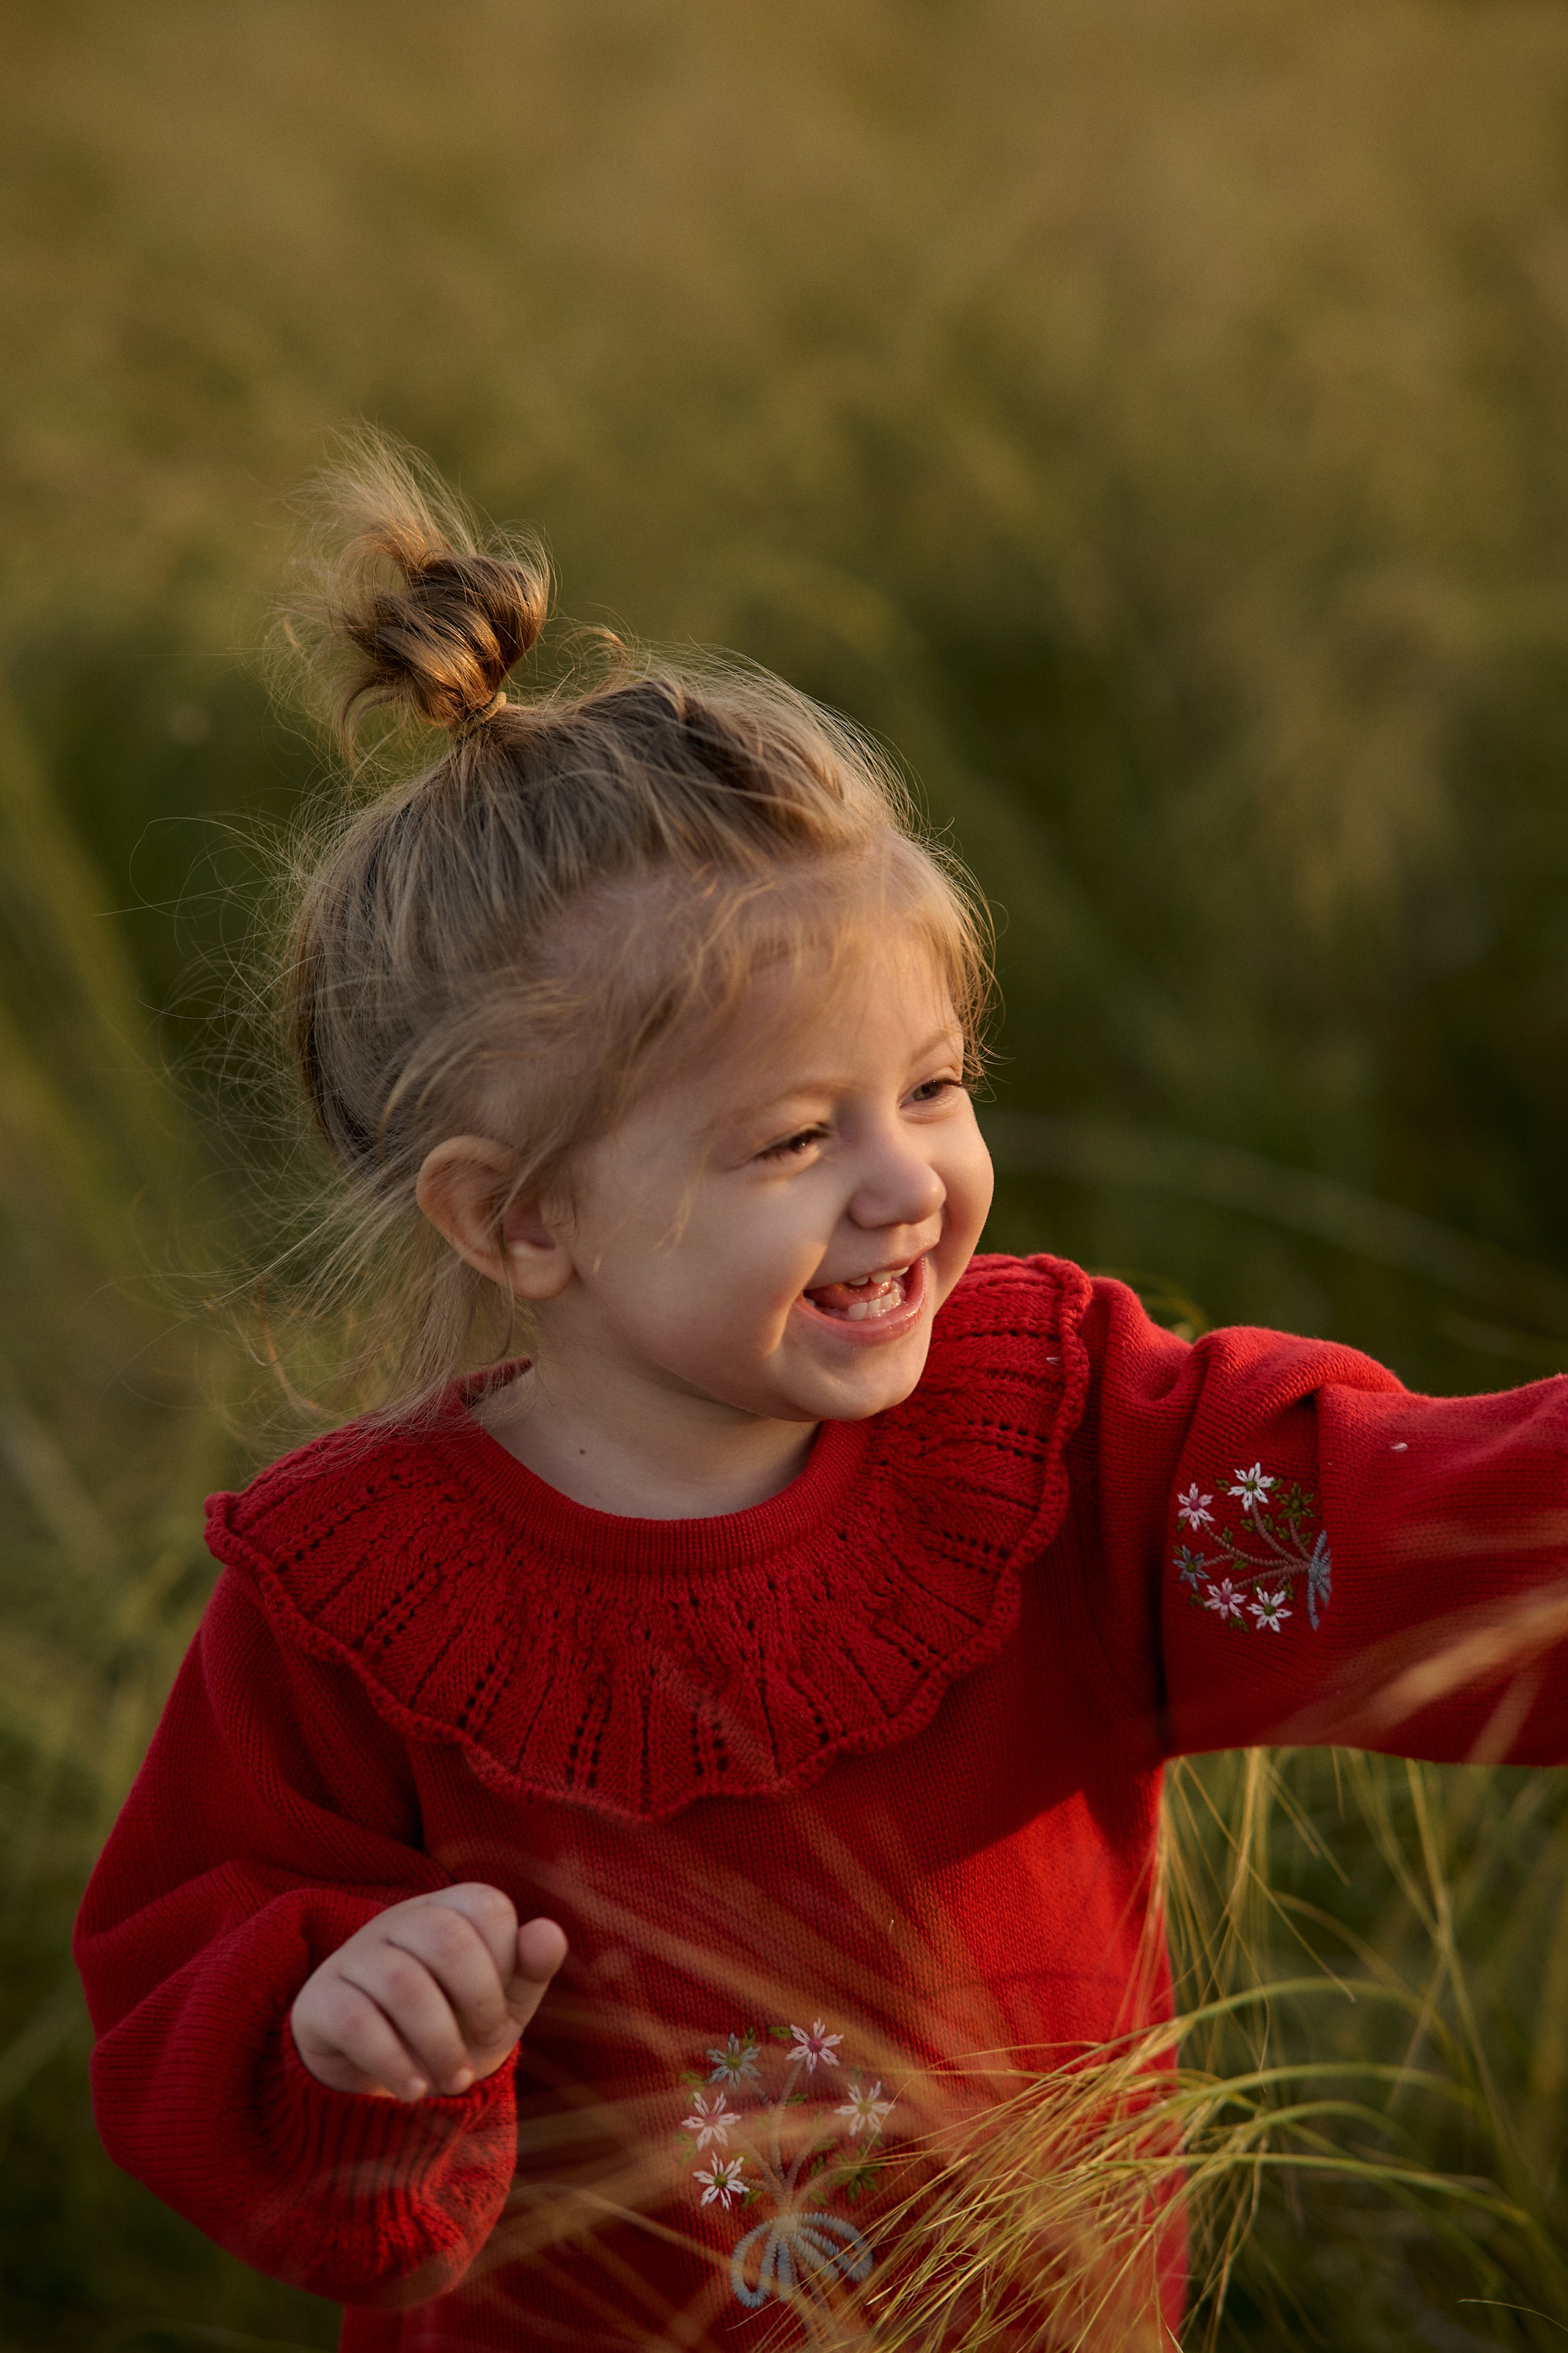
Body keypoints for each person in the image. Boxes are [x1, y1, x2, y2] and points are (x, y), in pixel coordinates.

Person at [74, 441, 1568, 2353]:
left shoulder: (1063, 1438)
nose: (904, 1184)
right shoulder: (353, 1600)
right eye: (792, 1135)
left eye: (933, 1088)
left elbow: (1409, 1520)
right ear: (520, 1218)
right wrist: (356, 2012)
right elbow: (189, 1986)